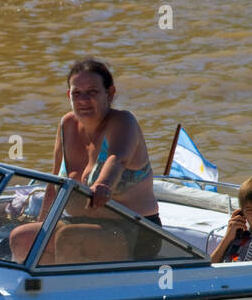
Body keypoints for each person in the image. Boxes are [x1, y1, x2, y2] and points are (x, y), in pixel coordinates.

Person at [10, 58, 161, 264]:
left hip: (136, 232)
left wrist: (103, 184)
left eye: (92, 92)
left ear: (110, 93)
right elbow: (55, 184)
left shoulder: (123, 121)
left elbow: (118, 159)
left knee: (70, 239)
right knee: (22, 238)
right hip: (79, 224)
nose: (83, 100)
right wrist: (43, 225)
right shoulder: (67, 124)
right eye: (77, 93)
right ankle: (37, 291)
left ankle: (69, 293)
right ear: (68, 96)